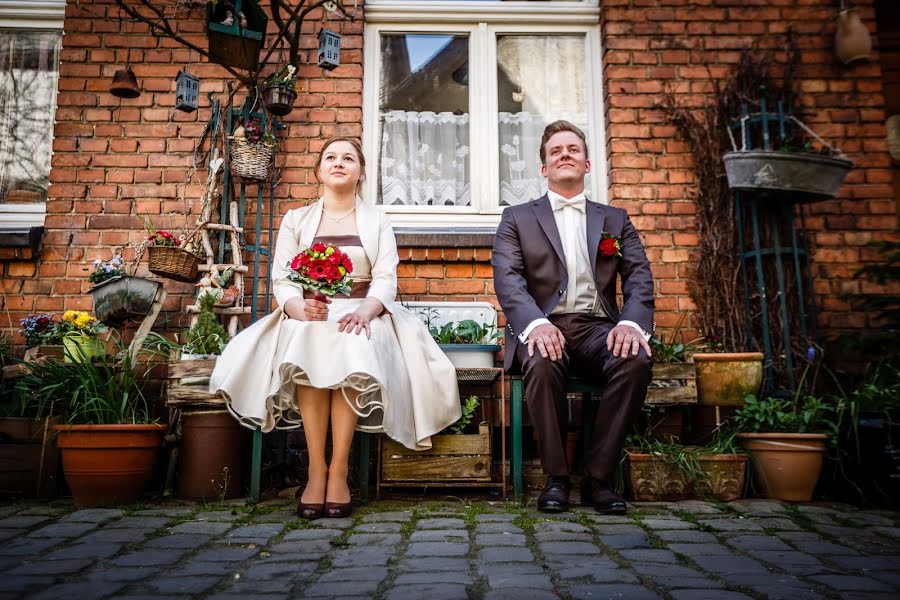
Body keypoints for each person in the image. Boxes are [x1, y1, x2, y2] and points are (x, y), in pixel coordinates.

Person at [210, 138, 461, 519]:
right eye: (330, 157)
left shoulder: (378, 220)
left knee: (352, 340)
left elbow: (385, 278)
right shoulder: (296, 219)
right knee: (310, 338)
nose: (339, 163)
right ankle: (315, 470)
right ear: (319, 171)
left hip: (364, 311)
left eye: (348, 158)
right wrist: (298, 307)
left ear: (361, 172)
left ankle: (339, 469)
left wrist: (365, 311)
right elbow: (283, 278)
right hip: (308, 312)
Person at [491, 120, 654, 514]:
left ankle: (598, 480)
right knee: (543, 361)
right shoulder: (516, 218)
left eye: (573, 149)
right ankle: (556, 479)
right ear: (544, 169)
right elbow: (508, 279)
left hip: (599, 328)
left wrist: (631, 324)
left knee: (635, 359)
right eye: (555, 151)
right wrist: (535, 324)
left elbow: (640, 276)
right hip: (545, 325)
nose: (565, 154)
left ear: (587, 164)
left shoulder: (615, 219)